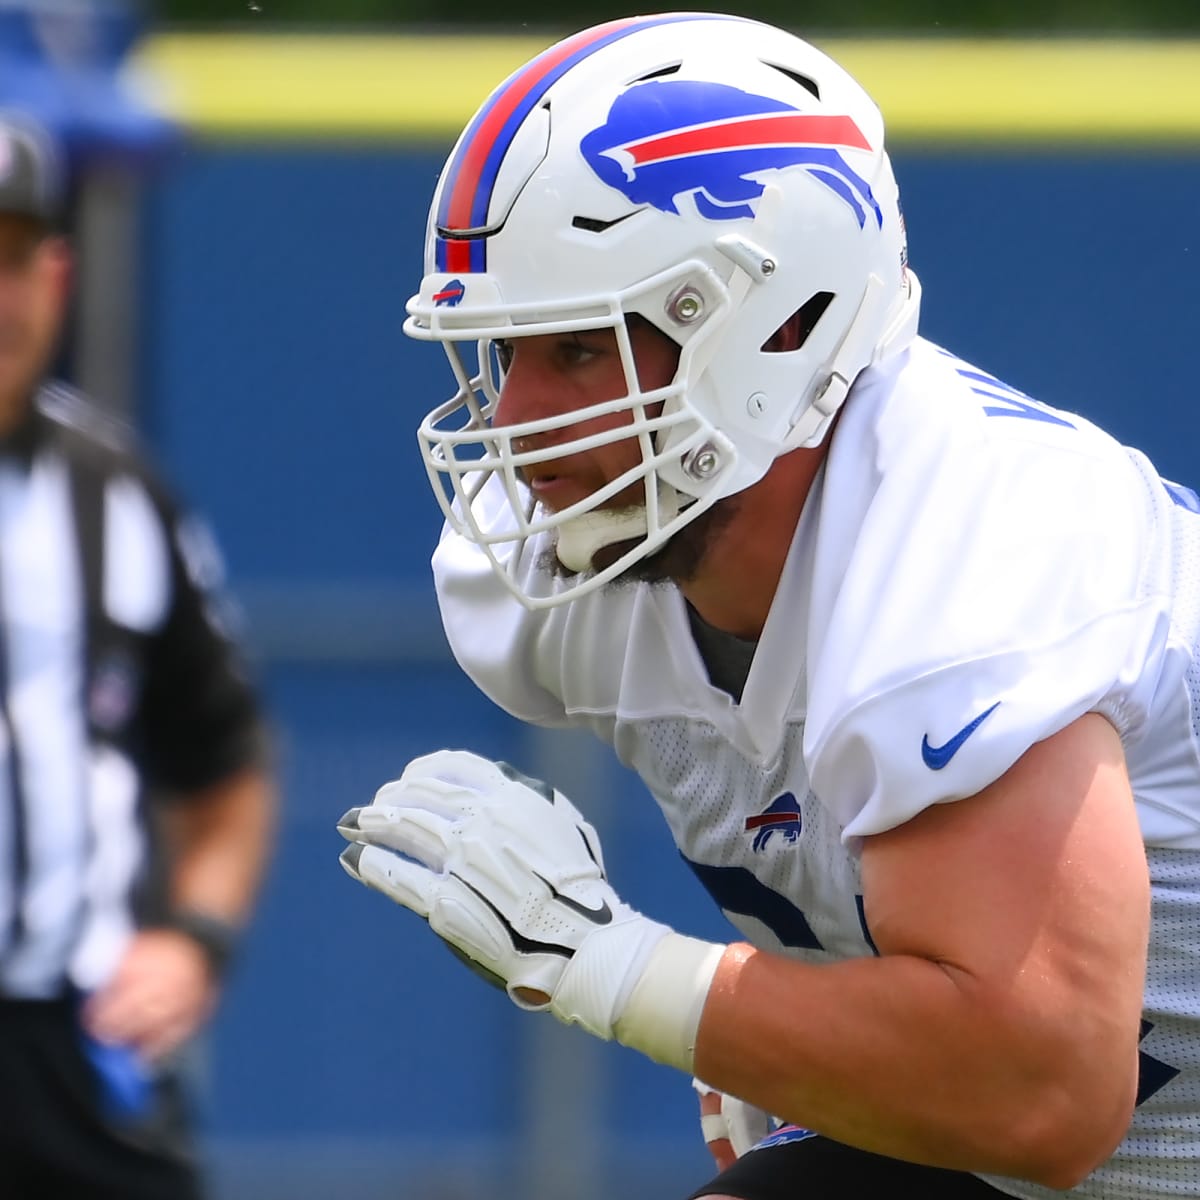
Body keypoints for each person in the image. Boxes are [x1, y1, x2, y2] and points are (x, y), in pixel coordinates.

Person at [336, 12, 1200, 1199]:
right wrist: (808, 1038)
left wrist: (608, 966)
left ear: (780, 328)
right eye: (504, 355)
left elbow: (1045, 1092)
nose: (516, 426)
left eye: (579, 351)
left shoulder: (961, 548)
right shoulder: (573, 577)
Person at [0, 113, 276, 1198]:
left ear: (57, 277)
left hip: (74, 1044)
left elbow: (225, 763)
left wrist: (194, 940)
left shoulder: (115, 491)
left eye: (12, 260)